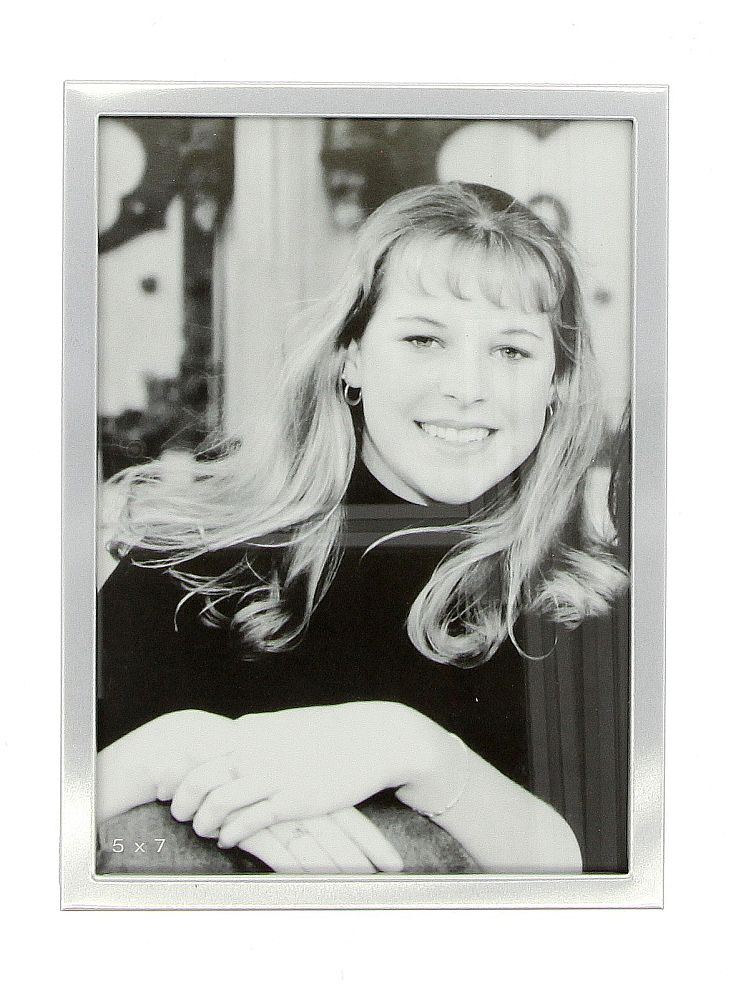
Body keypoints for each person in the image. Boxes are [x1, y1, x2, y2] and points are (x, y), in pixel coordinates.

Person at [96, 182, 627, 874]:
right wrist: (166, 751)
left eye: (511, 351)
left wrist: (412, 750)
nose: (467, 388)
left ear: (556, 383)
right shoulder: (187, 559)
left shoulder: (593, 609)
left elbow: (622, 874)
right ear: (349, 355)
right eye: (423, 339)